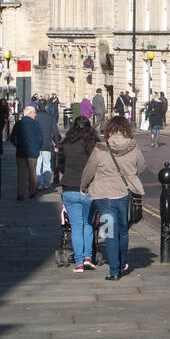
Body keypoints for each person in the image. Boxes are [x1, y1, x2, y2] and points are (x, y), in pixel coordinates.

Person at [81, 116, 147, 281]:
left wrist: (83, 187)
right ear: (126, 130)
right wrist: (130, 174)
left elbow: (89, 170)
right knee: (123, 230)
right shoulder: (133, 147)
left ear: (109, 130)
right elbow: (142, 166)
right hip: (125, 194)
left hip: (104, 196)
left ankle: (114, 271)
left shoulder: (101, 148)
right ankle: (123, 261)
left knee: (110, 233)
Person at [58, 117, 99, 273]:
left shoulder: (65, 144)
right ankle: (88, 258)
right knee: (88, 224)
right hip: (88, 189)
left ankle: (79, 263)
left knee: (75, 226)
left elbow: (60, 166)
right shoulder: (94, 145)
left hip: (69, 188)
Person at [11, 104, 44, 200]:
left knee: (21, 173)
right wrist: (37, 147)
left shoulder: (19, 123)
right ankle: (32, 191)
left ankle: (20, 193)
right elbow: (40, 138)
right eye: (34, 113)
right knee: (32, 172)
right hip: (33, 152)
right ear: (30, 113)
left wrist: (17, 145)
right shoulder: (36, 124)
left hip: (21, 151)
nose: (35, 115)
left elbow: (12, 137)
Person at [35, 103, 61, 192]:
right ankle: (46, 183)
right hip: (47, 143)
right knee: (47, 164)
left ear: (38, 107)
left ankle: (40, 182)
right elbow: (55, 132)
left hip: (37, 144)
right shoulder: (50, 117)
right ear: (46, 107)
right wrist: (57, 144)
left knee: (38, 165)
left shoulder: (35, 117)